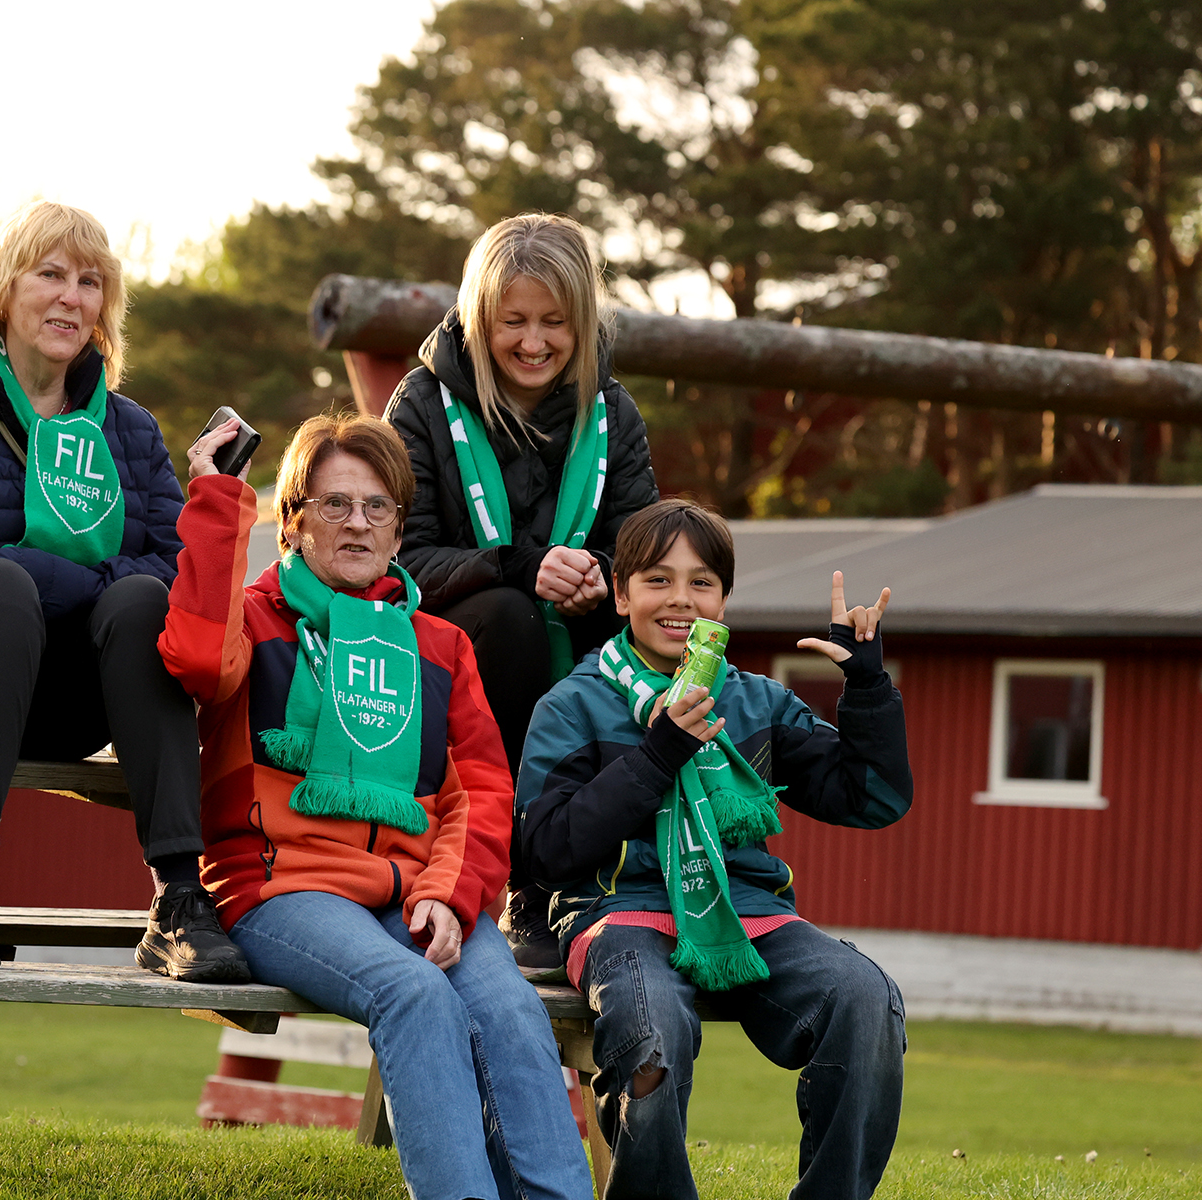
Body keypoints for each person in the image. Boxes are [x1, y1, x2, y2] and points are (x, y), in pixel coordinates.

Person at [161, 411, 593, 1200]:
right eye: (334, 504)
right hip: (282, 888)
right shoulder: (251, 620)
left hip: (415, 890)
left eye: (377, 507)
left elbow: (481, 793)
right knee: (414, 995)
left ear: (399, 529)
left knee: (510, 1010)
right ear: (293, 521)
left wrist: (450, 897)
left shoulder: (440, 645)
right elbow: (192, 659)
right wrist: (219, 498)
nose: (357, 523)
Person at [0, 200, 246, 982]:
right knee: (1, 585)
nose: (71, 296)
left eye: (90, 282)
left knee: (141, 605)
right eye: (51, 274)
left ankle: (178, 898)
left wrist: (73, 585)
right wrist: (45, 576)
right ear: (2, 291)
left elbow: (174, 575)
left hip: (61, 704)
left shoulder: (129, 432)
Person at [515, 499, 913, 1200]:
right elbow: (544, 850)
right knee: (651, 1032)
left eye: (701, 582)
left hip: (747, 910)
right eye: (658, 580)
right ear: (620, 594)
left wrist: (868, 686)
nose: (681, 599)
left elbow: (871, 798)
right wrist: (660, 751)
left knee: (865, 998)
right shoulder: (571, 705)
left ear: (723, 601)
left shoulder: (758, 703)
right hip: (619, 913)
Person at [384, 212, 660, 971]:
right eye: (513, 321)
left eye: (554, 322)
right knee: (511, 618)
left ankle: (630, 880)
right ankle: (522, 879)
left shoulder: (614, 414)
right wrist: (517, 566)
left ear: (583, 322)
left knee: (642, 635)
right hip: (449, 659)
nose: (533, 342)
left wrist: (601, 574)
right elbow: (397, 557)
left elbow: (642, 547)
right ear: (480, 318)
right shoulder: (421, 404)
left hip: (577, 642)